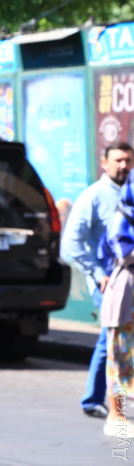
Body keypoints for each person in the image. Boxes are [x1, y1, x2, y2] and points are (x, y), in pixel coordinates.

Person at [62, 141, 134, 419]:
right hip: (109, 284)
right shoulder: (93, 196)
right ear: (105, 163)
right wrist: (97, 273)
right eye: (118, 160)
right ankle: (95, 400)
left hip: (129, 281)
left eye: (128, 160)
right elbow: (72, 241)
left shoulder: (129, 194)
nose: (123, 166)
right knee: (112, 342)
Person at [101, 176, 134, 437]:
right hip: (126, 292)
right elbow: (122, 253)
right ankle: (116, 416)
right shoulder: (122, 217)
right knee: (122, 357)